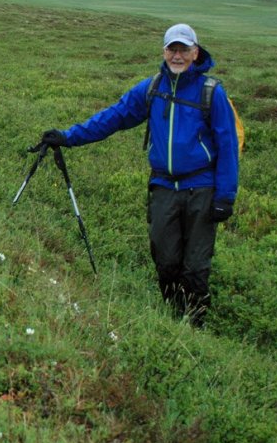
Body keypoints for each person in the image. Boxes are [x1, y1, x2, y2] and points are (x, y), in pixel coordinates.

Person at [40, 23, 239, 327]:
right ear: (164, 51)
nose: (177, 55)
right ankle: (174, 318)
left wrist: (225, 196)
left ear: (195, 53)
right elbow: (114, 117)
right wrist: (68, 136)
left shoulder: (212, 92)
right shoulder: (151, 88)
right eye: (172, 49)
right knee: (167, 261)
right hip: (163, 188)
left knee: (196, 267)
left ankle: (195, 327)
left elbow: (227, 147)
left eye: (184, 49)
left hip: (202, 188)